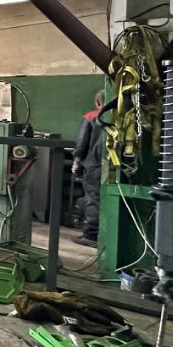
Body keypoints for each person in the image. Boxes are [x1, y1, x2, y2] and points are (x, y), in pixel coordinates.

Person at [72, 90, 106, 245]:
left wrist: (76, 161)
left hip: (94, 165)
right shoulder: (121, 118)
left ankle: (91, 235)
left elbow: (82, 142)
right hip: (115, 166)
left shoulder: (91, 117)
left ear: (98, 102)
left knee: (93, 199)